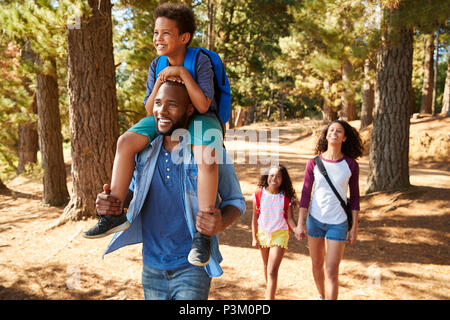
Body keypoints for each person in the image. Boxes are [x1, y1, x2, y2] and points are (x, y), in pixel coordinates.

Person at [84, 3, 223, 268]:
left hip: (201, 118)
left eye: (165, 33)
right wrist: (161, 79)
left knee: (205, 158)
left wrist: (181, 73)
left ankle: (202, 233)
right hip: (165, 115)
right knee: (125, 142)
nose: (158, 38)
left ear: (184, 37)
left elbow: (203, 105)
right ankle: (114, 212)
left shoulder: (200, 60)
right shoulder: (156, 64)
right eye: (155, 33)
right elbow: (150, 109)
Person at [97, 80, 245, 300]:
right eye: (157, 103)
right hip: (151, 266)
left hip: (192, 267)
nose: (162, 110)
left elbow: (235, 200)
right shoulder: (143, 150)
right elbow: (132, 192)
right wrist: (110, 204)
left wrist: (220, 223)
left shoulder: (208, 151)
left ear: (189, 109)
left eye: (172, 104)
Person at [294, 120, 363, 300]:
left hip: (338, 223)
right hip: (315, 220)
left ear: (345, 137)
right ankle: (321, 296)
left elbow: (355, 198)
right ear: (326, 135)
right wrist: (300, 223)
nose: (334, 133)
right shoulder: (314, 163)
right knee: (317, 264)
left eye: (339, 131)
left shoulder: (351, 165)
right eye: (331, 130)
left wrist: (354, 227)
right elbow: (305, 195)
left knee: (331, 270)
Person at [251, 165, 297, 300]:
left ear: (283, 180)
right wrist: (254, 237)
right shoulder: (259, 194)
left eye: (278, 176)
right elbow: (254, 217)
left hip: (280, 234)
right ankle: (270, 291)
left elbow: (290, 219)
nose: (274, 179)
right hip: (263, 233)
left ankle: (268, 298)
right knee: (266, 266)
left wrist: (296, 230)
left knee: (272, 270)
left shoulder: (286, 197)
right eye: (271, 175)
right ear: (267, 177)